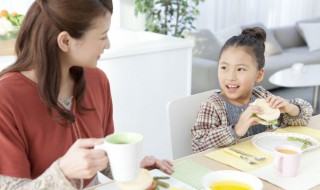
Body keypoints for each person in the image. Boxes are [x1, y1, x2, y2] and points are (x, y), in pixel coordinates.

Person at [0, 0, 173, 189]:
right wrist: (63, 172)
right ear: (65, 41)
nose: (107, 45)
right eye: (102, 36)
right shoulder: (6, 98)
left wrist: (130, 168)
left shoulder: (97, 80)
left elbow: (101, 154)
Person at [191, 27, 313, 153]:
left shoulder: (261, 96)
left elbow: (306, 115)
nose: (230, 77)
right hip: (229, 169)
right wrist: (236, 130)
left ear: (259, 74)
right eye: (224, 67)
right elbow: (198, 145)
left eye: (240, 69)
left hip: (263, 162)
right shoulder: (212, 105)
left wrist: (290, 109)